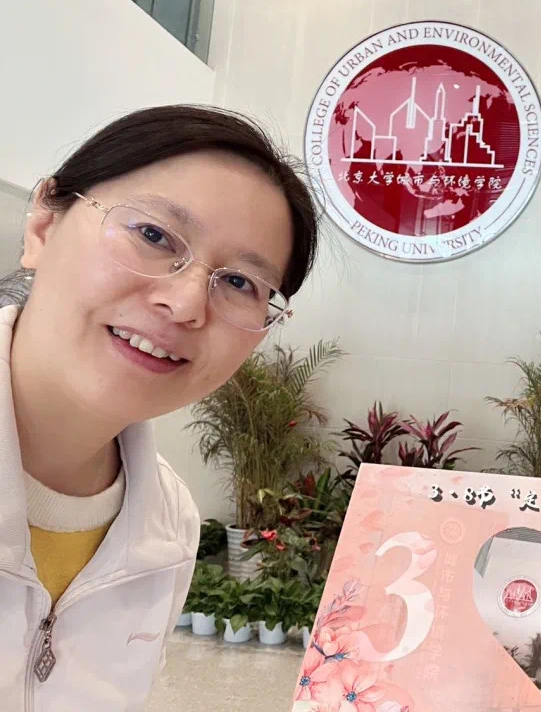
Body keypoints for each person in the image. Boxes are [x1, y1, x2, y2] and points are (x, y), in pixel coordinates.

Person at [0, 105, 319, 710]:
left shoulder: (168, 526)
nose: (187, 304)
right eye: (153, 236)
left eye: (240, 283)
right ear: (42, 224)